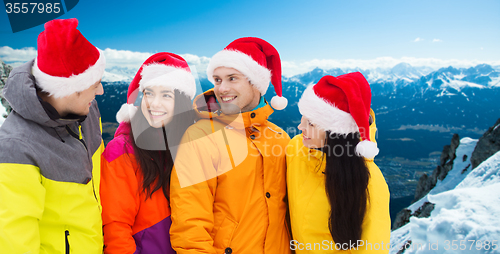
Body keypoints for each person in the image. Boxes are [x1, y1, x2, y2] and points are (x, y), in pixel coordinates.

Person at [169, 37, 292, 254]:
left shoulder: (280, 138)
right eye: (217, 80)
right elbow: (189, 222)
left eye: (232, 78)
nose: (222, 88)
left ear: (256, 82)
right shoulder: (200, 136)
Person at [0, 18, 106, 253]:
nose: (100, 91)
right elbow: (16, 244)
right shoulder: (15, 148)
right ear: (70, 89)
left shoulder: (87, 112)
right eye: (95, 84)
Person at [100, 52, 198, 253]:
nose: (154, 103)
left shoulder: (189, 146)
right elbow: (115, 227)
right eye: (149, 93)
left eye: (166, 95)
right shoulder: (123, 149)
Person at [286, 73, 391, 253]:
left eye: (311, 123)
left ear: (336, 133)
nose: (300, 128)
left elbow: (373, 248)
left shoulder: (369, 181)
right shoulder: (296, 147)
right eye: (303, 118)